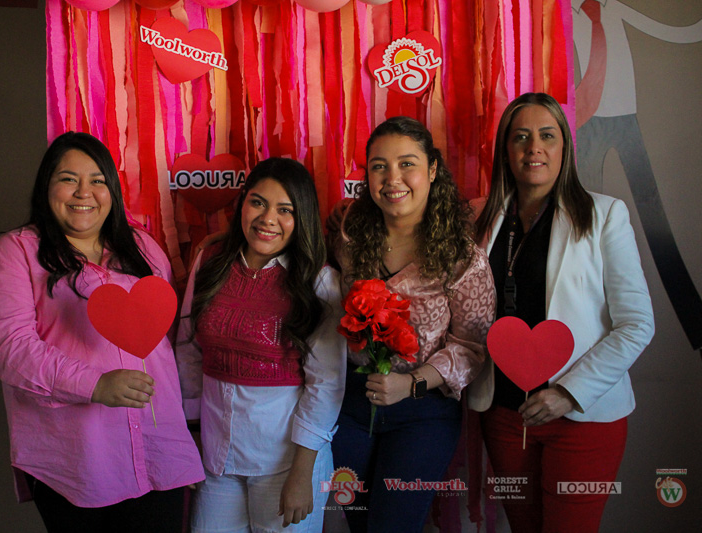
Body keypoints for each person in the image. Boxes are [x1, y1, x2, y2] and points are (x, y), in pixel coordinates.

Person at [0, 132, 203, 532]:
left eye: (97, 180)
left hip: (159, 451)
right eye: (68, 179)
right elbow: (13, 350)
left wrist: (186, 432)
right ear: (46, 186)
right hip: (78, 461)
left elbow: (164, 346)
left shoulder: (143, 248)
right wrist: (96, 384)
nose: (84, 192)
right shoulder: (13, 254)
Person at [468, 92, 655, 532]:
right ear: (505, 150)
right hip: (504, 416)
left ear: (564, 147)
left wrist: (568, 393)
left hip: (582, 418)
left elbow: (637, 324)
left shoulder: (604, 215)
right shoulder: (477, 216)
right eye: (521, 137)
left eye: (546, 135)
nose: (534, 147)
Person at [329, 116, 496, 533]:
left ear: (432, 169)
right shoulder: (350, 234)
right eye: (379, 166)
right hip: (350, 406)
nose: (392, 179)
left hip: (423, 411)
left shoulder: (463, 258)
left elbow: (471, 348)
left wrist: (411, 384)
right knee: (359, 524)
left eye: (407, 164)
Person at [175, 157, 346, 532]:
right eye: (258, 202)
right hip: (216, 459)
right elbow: (188, 350)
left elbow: (326, 384)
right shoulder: (210, 262)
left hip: (285, 463)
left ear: (301, 217)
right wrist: (191, 435)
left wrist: (302, 472)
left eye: (285, 210)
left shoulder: (318, 282)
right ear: (242, 203)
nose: (268, 218)